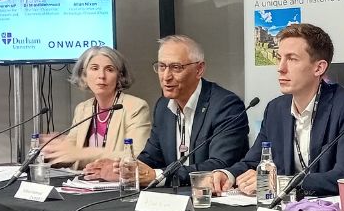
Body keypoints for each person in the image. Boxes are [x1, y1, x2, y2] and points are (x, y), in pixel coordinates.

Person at [211, 23, 344, 196]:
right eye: (279, 58)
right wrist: (228, 175)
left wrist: (279, 183)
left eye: (292, 59)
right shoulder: (276, 108)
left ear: (319, 68)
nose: (280, 68)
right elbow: (253, 161)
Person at [84, 35, 250, 187]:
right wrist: (124, 169)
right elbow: (150, 158)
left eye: (176, 67)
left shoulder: (226, 105)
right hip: (172, 198)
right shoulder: (163, 106)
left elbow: (219, 164)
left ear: (199, 69)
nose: (166, 76)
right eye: (162, 67)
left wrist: (158, 176)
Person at [42, 46, 151, 169]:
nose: (101, 76)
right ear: (84, 75)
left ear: (119, 76)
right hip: (84, 183)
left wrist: (82, 153)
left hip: (117, 183)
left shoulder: (135, 107)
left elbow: (136, 156)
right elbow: (71, 152)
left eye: (109, 70)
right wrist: (53, 152)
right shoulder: (83, 109)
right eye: (94, 68)